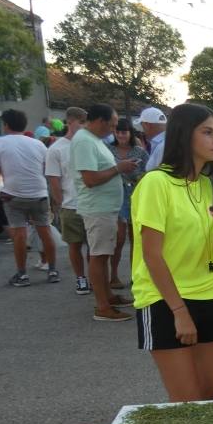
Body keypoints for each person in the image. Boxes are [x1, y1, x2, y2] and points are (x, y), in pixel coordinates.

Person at [131, 103, 213, 402]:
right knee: (187, 403)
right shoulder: (155, 183)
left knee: (209, 396)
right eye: (208, 132)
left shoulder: (208, 185)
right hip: (164, 301)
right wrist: (180, 312)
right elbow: (152, 255)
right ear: (185, 135)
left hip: (208, 295)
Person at [72, 104, 139, 321]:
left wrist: (119, 166)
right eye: (111, 126)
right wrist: (119, 168)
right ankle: (102, 307)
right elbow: (90, 179)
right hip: (97, 208)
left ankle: (107, 297)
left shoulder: (93, 140)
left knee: (102, 253)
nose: (113, 130)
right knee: (99, 256)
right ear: (99, 121)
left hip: (105, 208)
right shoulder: (84, 140)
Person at [0, 110, 57, 287]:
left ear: (6, 124)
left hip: (13, 195)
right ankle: (53, 270)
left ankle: (22, 274)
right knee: (45, 231)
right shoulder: (38, 144)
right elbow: (45, 170)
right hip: (39, 193)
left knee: (19, 234)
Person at [44, 107, 90, 295]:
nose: (84, 126)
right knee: (75, 244)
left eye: (85, 122)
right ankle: (81, 278)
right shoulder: (57, 149)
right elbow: (54, 179)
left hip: (91, 203)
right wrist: (61, 202)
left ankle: (95, 277)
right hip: (70, 205)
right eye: (81, 122)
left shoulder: (89, 143)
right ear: (70, 122)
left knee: (93, 247)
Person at [109, 118, 149, 289]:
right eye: (117, 132)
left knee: (136, 239)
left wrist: (136, 175)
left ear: (130, 133)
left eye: (123, 132)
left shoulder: (140, 152)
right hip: (116, 194)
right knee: (118, 239)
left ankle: (135, 275)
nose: (120, 135)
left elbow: (149, 173)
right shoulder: (108, 149)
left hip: (135, 194)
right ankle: (113, 275)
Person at [138, 107, 168, 171]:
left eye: (141, 124)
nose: (142, 129)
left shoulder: (163, 146)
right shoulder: (165, 142)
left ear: (147, 125)